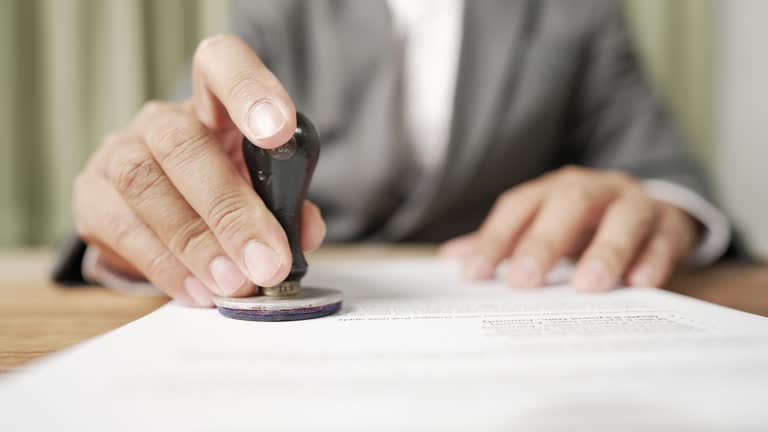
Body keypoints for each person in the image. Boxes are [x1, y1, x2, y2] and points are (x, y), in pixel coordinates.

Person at [56, 0, 741, 307]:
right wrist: (144, 221)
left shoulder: (580, 12)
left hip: (502, 303)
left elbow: (668, 176)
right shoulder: (276, 8)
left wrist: (659, 210)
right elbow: (181, 159)